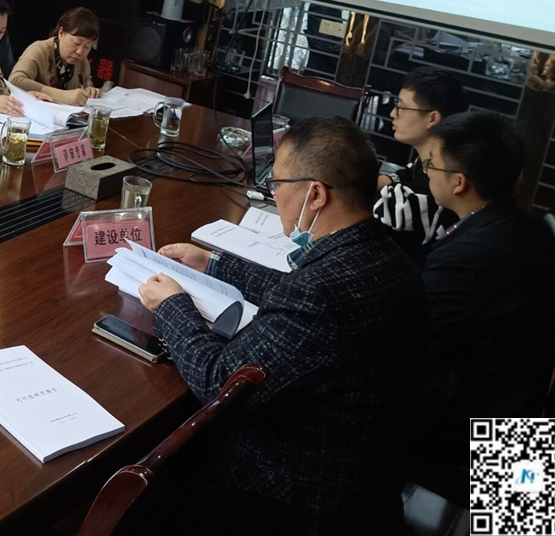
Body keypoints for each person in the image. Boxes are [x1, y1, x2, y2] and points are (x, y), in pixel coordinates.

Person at [138, 116, 426, 535]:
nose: (274, 195)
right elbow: (295, 291)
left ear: (315, 194)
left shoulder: (319, 293)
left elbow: (220, 382)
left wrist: (171, 306)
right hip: (368, 481)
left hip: (295, 500)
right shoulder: (386, 255)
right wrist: (213, 263)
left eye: (277, 184)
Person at [415, 110, 555, 502]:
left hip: (468, 433)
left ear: (459, 182)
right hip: (522, 412)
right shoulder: (531, 230)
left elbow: (408, 338)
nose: (427, 173)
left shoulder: (470, 255)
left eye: (431, 164)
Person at [373, 66, 468, 266]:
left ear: (432, 118)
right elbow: (403, 176)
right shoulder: (425, 163)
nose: (392, 113)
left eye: (401, 107)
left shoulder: (439, 185)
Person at [9, 7, 101, 105]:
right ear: (61, 33)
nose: (80, 51)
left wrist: (90, 91)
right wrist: (61, 95)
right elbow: (15, 80)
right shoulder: (39, 50)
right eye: (76, 43)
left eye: (87, 46)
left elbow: (86, 83)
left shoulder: (82, 62)